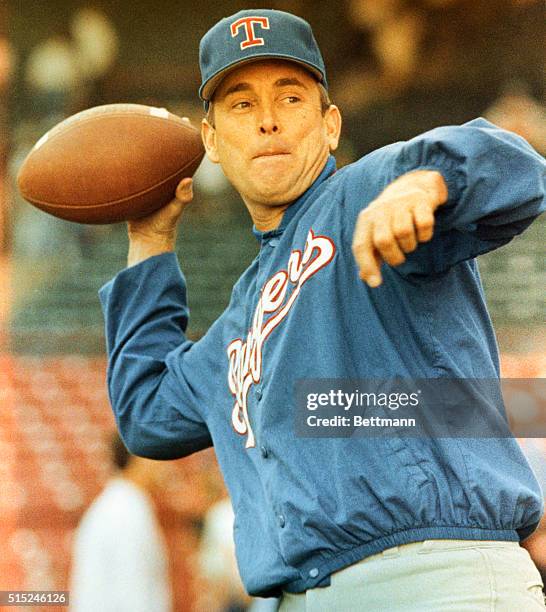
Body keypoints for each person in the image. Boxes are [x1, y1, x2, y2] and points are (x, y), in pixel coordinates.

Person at [99, 9, 546, 611]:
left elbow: (517, 168)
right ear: (210, 141)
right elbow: (147, 414)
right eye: (241, 104)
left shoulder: (368, 189)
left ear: (330, 124)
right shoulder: (239, 323)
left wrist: (429, 184)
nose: (267, 122)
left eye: (290, 97)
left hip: (434, 579)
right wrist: (150, 243)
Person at [69, 432, 172, 612]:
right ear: (140, 458)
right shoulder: (127, 512)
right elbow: (133, 590)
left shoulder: (116, 504)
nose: (163, 466)